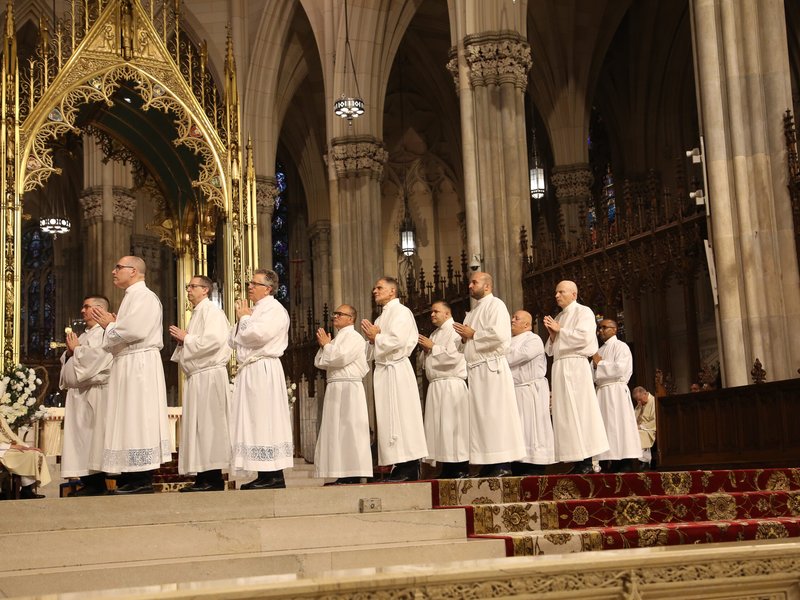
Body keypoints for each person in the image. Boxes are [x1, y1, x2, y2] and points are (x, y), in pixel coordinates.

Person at [90, 256, 171, 494]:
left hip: (139, 365)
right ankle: (128, 474)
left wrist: (109, 326)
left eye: (118, 268)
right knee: (126, 418)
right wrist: (113, 326)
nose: (113, 272)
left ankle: (141, 479)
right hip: (127, 363)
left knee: (138, 418)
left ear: (133, 271)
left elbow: (134, 330)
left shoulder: (145, 297)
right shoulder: (131, 297)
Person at [453, 272, 525, 478]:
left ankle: (502, 463)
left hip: (491, 368)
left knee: (496, 415)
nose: (469, 285)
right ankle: (487, 460)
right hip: (476, 369)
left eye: (474, 282)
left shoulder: (496, 305)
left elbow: (500, 336)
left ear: (487, 286)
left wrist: (473, 335)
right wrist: (464, 339)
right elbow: (465, 343)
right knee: (480, 418)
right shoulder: (472, 312)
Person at [229, 268, 293, 489]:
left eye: (254, 284)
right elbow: (233, 339)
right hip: (251, 369)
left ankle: (273, 475)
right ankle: (264, 473)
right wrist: (244, 319)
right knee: (254, 420)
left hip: (263, 369)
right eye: (250, 283)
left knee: (265, 419)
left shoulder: (274, 309)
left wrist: (244, 318)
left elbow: (256, 336)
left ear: (268, 288)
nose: (250, 287)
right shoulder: (255, 310)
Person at [169, 275, 232, 492]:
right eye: (188, 286)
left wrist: (186, 338)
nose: (188, 290)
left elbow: (214, 341)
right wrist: (184, 341)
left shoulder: (211, 311)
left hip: (209, 377)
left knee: (209, 427)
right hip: (198, 377)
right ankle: (203, 476)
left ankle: (212, 478)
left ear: (205, 290)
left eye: (192, 286)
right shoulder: (197, 313)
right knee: (198, 428)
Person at [361, 277, 427, 481]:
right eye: (375, 287)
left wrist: (376, 338)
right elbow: (371, 350)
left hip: (397, 369)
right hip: (383, 371)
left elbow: (399, 341)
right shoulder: (381, 318)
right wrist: (372, 340)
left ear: (392, 291)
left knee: (403, 416)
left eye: (379, 288)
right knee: (389, 418)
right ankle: (398, 463)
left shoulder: (401, 312)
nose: (375, 291)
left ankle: (410, 464)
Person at [543, 280, 609, 474]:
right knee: (565, 414)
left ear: (574, 294)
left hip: (576, 365)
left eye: (561, 291)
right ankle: (577, 458)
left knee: (580, 411)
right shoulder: (559, 316)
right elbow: (551, 349)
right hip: (560, 366)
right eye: (555, 292)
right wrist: (554, 335)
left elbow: (586, 339)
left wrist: (560, 331)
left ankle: (588, 460)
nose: (556, 295)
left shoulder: (584, 312)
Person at [60, 295, 113, 496]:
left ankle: (97, 482)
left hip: (96, 394)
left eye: (87, 307)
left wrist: (77, 351)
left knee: (94, 439)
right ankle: (89, 481)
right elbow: (70, 360)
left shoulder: (105, 333)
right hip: (79, 395)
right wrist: (70, 353)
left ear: (99, 309)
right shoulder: (84, 335)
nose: (82, 311)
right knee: (81, 440)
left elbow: (100, 359)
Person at [313, 304, 372, 485]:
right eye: (335, 313)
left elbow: (341, 358)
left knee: (350, 430)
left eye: (340, 314)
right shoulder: (338, 338)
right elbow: (320, 362)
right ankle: (341, 472)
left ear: (351, 318)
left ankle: (353, 473)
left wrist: (327, 346)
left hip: (349, 389)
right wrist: (327, 346)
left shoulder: (355, 337)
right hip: (335, 388)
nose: (335, 316)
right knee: (335, 432)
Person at [418, 300, 469, 479]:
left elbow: (456, 356)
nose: (432, 315)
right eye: (431, 312)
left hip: (451, 384)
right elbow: (424, 364)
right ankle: (446, 465)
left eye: (436, 311)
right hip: (436, 385)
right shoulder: (434, 333)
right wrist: (426, 351)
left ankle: (460, 466)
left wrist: (433, 348)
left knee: (453, 426)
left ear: (447, 314)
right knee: (439, 428)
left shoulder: (456, 330)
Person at [506, 310, 555, 475]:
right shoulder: (509, 340)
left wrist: (502, 355)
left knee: (533, 427)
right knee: (518, 429)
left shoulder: (533, 339)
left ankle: (535, 465)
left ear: (527, 324)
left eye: (516, 318)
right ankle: (518, 463)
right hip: (515, 390)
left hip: (530, 390)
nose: (512, 320)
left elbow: (517, 356)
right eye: (512, 317)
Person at [592, 319, 640, 472]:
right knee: (606, 427)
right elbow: (593, 375)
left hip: (616, 392)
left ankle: (624, 461)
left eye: (604, 328)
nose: (600, 331)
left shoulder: (621, 347)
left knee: (619, 425)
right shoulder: (599, 351)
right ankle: (607, 460)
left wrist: (599, 365)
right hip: (602, 392)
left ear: (614, 329)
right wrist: (595, 366)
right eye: (599, 328)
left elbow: (620, 369)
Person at [0, 412, 50, 499]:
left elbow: (12, 436)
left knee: (35, 453)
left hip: (8, 448)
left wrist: (27, 447)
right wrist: (11, 446)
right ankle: (26, 491)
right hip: (2, 451)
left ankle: (26, 489)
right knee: (27, 456)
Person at [632, 385, 657, 469]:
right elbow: (635, 417)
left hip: (650, 429)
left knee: (639, 434)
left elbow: (655, 420)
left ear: (645, 394)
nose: (639, 402)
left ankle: (644, 461)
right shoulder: (640, 403)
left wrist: (641, 426)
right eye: (637, 400)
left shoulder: (654, 401)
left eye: (639, 399)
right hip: (640, 428)